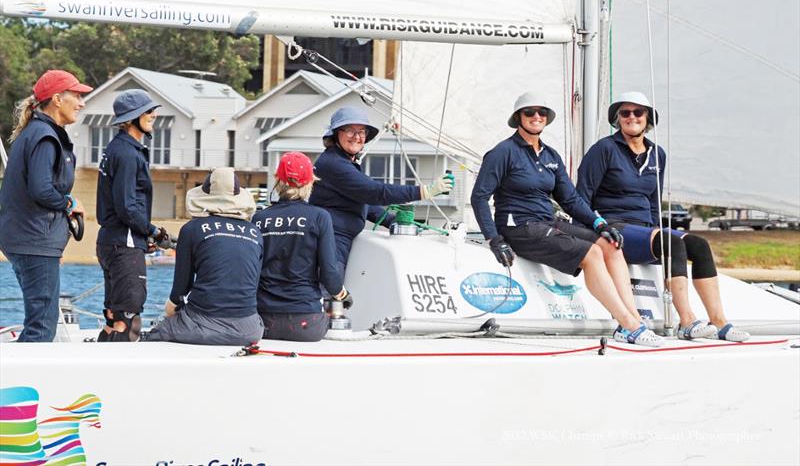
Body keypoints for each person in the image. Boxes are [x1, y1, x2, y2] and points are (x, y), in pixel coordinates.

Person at [471, 91, 663, 346]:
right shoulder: (503, 152)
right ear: (518, 117)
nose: (536, 116)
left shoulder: (550, 155)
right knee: (593, 254)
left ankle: (632, 319)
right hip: (519, 228)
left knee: (611, 244)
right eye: (530, 112)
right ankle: (628, 325)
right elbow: (479, 197)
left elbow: (570, 199)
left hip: (546, 223)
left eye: (542, 112)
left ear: (547, 119)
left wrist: (600, 224)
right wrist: (494, 239)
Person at [577, 92, 750, 342]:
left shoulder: (658, 154)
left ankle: (719, 321)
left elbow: (654, 200)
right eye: (625, 113)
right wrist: (588, 233)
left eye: (638, 112)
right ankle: (687, 321)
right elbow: (582, 195)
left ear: (647, 118)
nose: (631, 117)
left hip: (645, 230)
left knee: (699, 245)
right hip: (614, 226)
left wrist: (655, 231)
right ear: (617, 119)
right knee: (671, 241)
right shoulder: (604, 149)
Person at [0, 70, 92, 342]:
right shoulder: (44, 136)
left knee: (41, 320)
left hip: (32, 239)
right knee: (42, 326)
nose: (81, 102)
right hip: (33, 240)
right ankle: (22, 382)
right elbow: (41, 190)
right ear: (56, 99)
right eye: (76, 95)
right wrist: (70, 203)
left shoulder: (37, 133)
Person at [309, 106, 454, 271]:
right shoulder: (334, 164)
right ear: (336, 134)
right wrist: (424, 191)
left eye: (362, 132)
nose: (357, 137)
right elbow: (374, 192)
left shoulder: (342, 160)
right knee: (328, 292)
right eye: (349, 131)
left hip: (335, 239)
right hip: (330, 243)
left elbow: (361, 200)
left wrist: (391, 220)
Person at [146, 167, 264, 345]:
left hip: (203, 323)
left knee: (154, 334)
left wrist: (169, 313)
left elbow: (180, 291)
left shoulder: (192, 229)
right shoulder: (255, 232)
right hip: (250, 329)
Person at [95, 89, 169, 342]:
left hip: (113, 241)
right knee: (128, 323)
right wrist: (153, 231)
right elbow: (126, 207)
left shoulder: (117, 149)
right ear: (132, 119)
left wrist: (144, 235)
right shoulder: (127, 154)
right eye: (148, 111)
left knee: (113, 319)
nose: (153, 115)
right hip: (124, 244)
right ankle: (115, 381)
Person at [253, 152, 350, 342]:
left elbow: (251, 271)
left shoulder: (259, 219)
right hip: (306, 323)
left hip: (264, 322)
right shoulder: (320, 217)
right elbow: (329, 273)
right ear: (311, 182)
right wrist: (343, 295)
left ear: (277, 180)